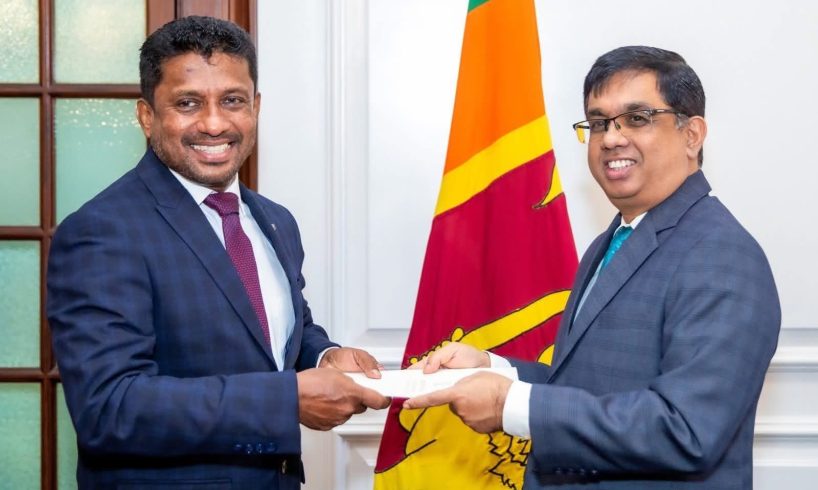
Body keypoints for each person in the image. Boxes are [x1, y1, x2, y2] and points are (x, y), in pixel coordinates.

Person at [404, 46, 781, 488]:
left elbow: (686, 430)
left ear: (692, 134)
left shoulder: (722, 255)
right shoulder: (613, 241)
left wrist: (512, 405)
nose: (611, 138)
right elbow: (589, 385)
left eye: (636, 118)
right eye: (599, 122)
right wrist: (493, 369)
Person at [47, 16, 389, 489]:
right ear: (147, 116)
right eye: (187, 103)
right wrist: (286, 400)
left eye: (232, 100)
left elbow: (275, 333)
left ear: (256, 107)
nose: (214, 123)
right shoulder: (102, 231)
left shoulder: (275, 220)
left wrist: (324, 356)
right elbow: (109, 408)